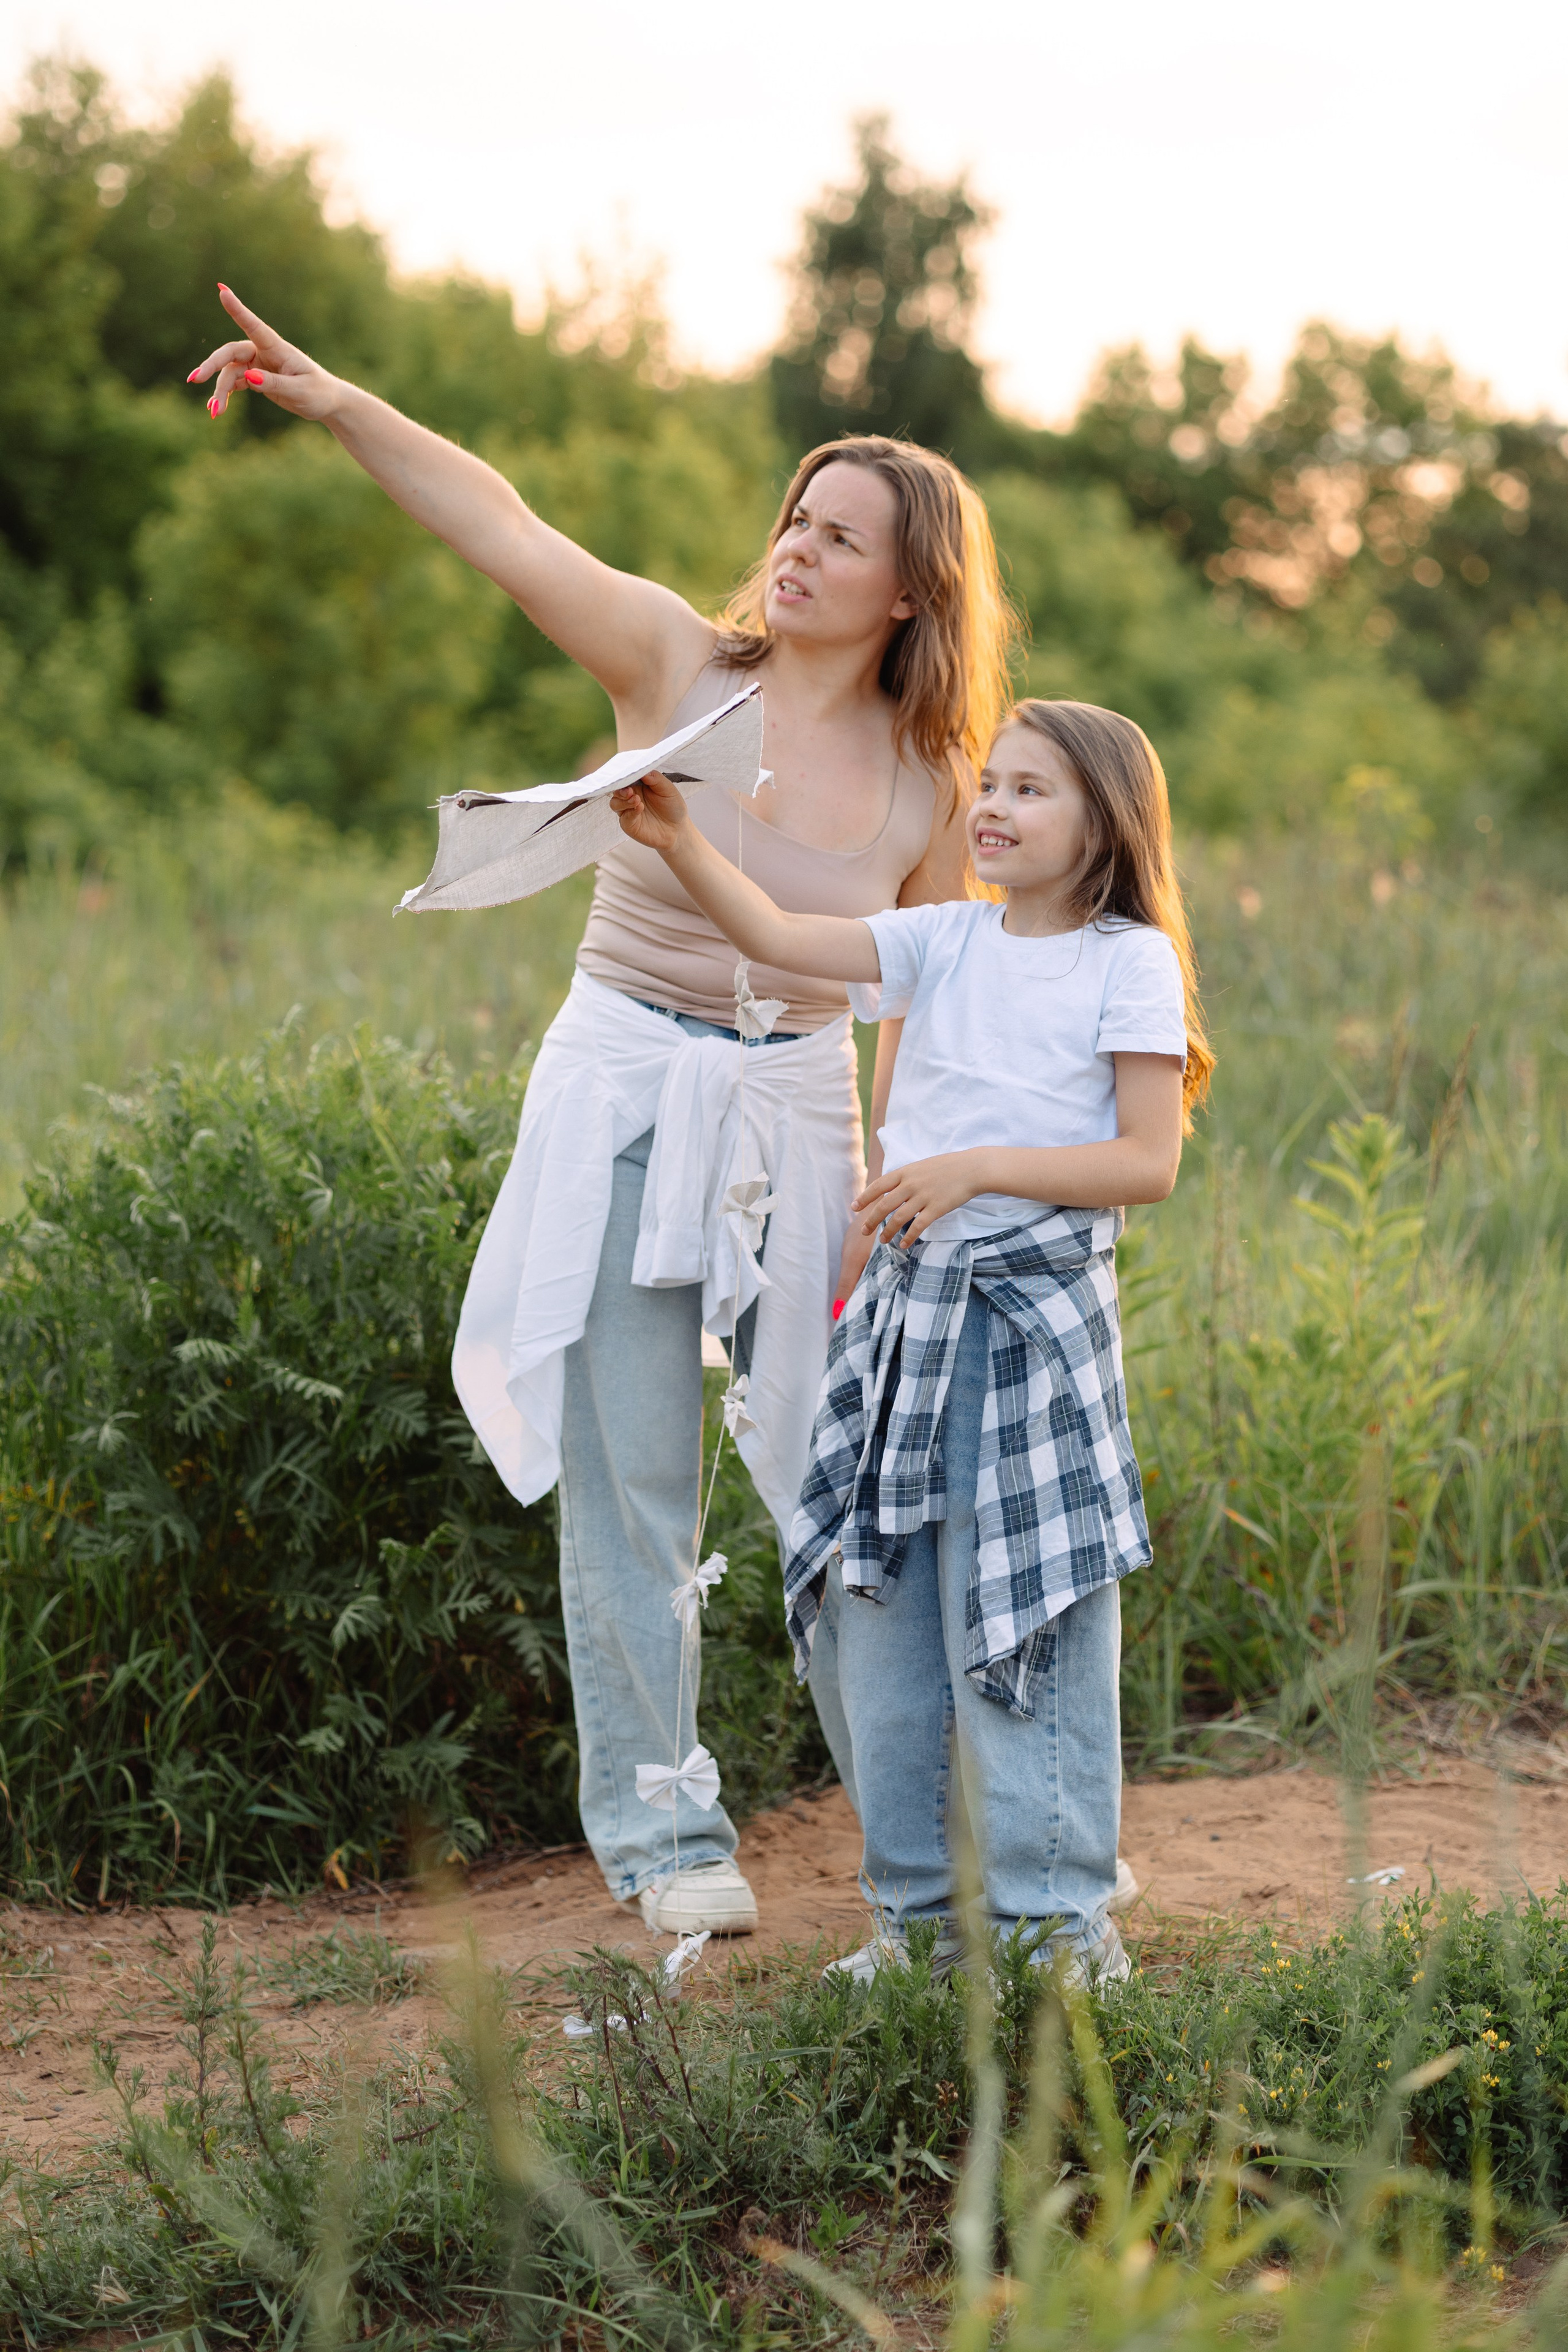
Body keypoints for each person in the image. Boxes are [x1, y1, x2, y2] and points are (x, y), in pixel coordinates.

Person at [188, 288, 1018, 1936]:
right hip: (632, 1088)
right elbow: (499, 520)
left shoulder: (938, 777)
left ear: (913, 586)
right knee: (636, 1482)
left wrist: (904, 1192)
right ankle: (667, 1847)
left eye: (841, 538)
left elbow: (925, 1001)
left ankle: (930, 1850)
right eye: (796, 516)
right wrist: (341, 400)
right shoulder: (673, 659)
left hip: (799, 1119)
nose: (798, 549)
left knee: (837, 1486)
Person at [609, 696, 1213, 1979]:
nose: (989, 807)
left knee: (1030, 1611)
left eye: (1029, 790)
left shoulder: (1126, 959)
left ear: (1105, 818)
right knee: (878, 1601)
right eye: (987, 786)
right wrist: (677, 841)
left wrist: (972, 1169)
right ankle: (918, 1924)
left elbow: (1145, 1160)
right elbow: (778, 934)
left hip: (1025, 1322)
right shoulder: (944, 939)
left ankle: (1056, 1929)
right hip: (903, 1315)